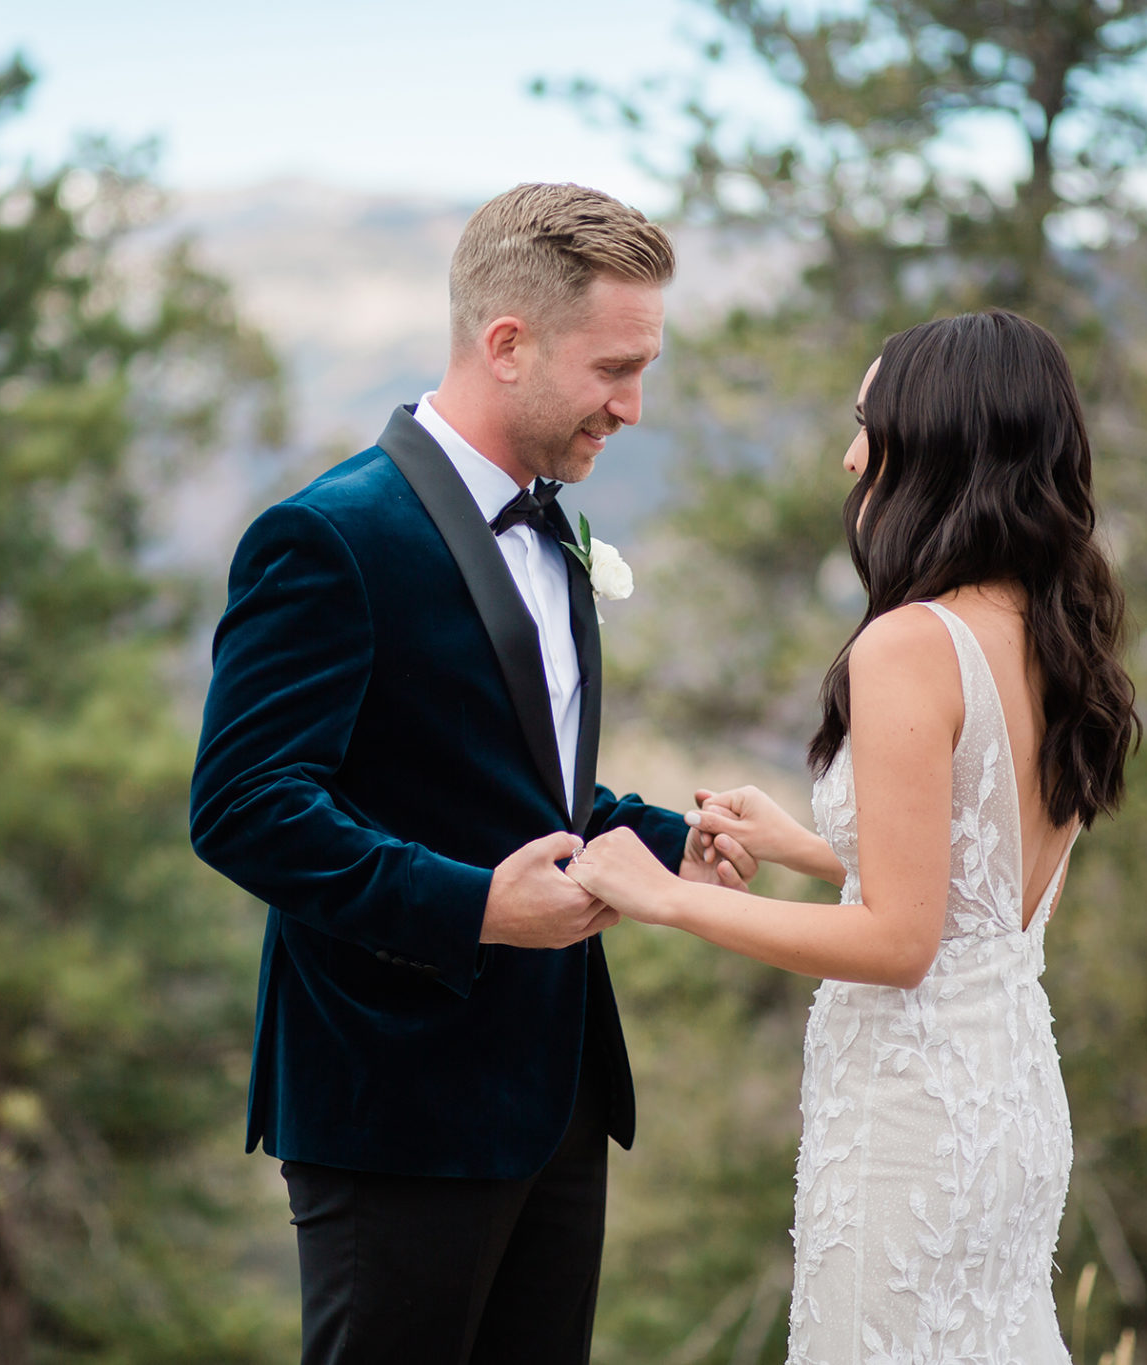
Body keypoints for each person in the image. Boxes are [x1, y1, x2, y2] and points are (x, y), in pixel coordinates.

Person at [188, 182, 757, 1365]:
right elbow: (245, 807)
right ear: (506, 344)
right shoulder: (331, 536)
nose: (632, 406)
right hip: (394, 1100)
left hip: (557, 1097)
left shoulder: (551, 525)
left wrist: (663, 843)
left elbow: (523, 789)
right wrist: (477, 908)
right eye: (612, 367)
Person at [564, 310, 1141, 1365]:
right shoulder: (1052, 632)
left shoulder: (908, 645)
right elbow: (978, 871)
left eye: (867, 422)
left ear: (937, 440)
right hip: (1008, 1090)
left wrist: (670, 899)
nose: (848, 453)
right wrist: (800, 844)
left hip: (912, 1115)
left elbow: (899, 943)